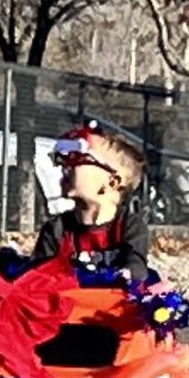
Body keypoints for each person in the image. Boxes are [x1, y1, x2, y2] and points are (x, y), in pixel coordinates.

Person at [33, 118, 156, 279]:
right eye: (63, 160)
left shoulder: (129, 226)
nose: (65, 165)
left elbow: (136, 264)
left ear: (112, 182)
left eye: (78, 158)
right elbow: (38, 278)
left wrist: (127, 274)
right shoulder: (57, 230)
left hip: (113, 300)